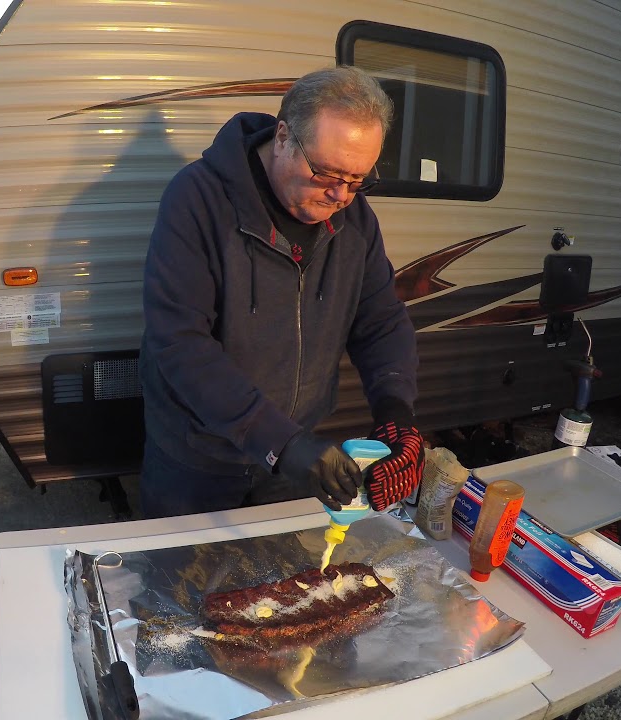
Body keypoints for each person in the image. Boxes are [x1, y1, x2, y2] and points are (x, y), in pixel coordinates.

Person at [138, 66, 424, 518]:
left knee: (283, 585)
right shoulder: (197, 200)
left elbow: (381, 320)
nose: (341, 195)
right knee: (178, 582)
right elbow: (179, 342)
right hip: (199, 458)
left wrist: (395, 408)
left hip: (294, 457)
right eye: (327, 173)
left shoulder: (356, 220)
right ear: (285, 136)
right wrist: (281, 442)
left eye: (358, 180)